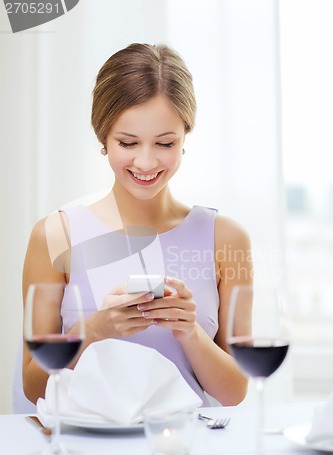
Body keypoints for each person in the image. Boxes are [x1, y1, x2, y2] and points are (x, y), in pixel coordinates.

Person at [22, 43, 252, 407]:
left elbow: (235, 391)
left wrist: (188, 331)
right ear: (103, 137)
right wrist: (93, 330)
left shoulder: (226, 238)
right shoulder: (55, 236)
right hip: (86, 454)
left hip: (185, 451)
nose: (145, 162)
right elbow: (33, 387)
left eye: (165, 143)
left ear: (185, 137)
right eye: (127, 142)